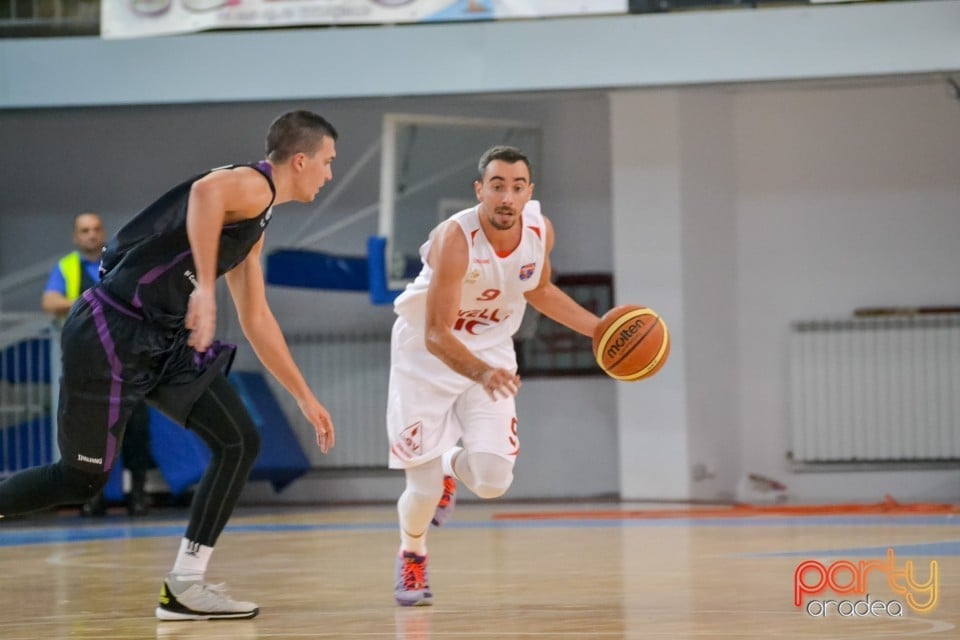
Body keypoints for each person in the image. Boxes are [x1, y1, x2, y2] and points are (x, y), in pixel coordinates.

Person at [0, 109, 337, 621]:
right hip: (111, 331)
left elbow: (257, 318)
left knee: (239, 438)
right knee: (80, 479)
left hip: (161, 340)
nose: (330, 173)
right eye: (328, 162)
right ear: (300, 160)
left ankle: (184, 584)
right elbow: (205, 193)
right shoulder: (251, 184)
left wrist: (303, 395)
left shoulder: (257, 217)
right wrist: (204, 285)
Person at [387, 145, 601, 606]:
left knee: (491, 480)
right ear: (479, 190)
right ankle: (413, 552)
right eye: (498, 186)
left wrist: (598, 328)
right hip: (424, 358)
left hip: (489, 351)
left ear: (529, 193)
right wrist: (482, 373)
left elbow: (539, 289)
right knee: (421, 492)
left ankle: (449, 464)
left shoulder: (539, 231)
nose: (507, 196)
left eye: (517, 187)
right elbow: (436, 334)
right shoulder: (455, 239)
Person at [42, 212, 154, 517]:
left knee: (136, 431)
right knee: (93, 436)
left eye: (95, 229)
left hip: (129, 362)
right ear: (76, 237)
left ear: (103, 232)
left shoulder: (121, 260)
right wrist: (92, 299)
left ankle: (139, 495)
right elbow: (50, 302)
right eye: (84, 230)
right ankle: (93, 497)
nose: (91, 235)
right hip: (88, 366)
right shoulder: (67, 268)